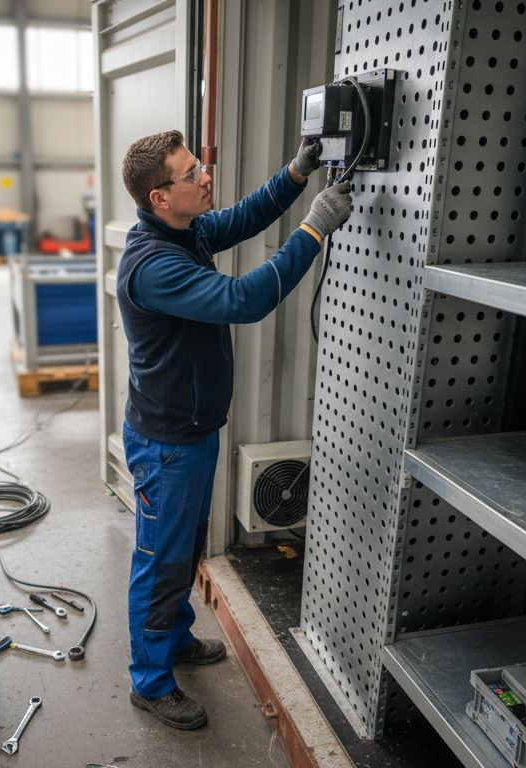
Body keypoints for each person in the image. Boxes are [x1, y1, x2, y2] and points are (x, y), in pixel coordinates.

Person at [115, 129, 352, 730]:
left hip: (191, 431)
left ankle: (174, 640)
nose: (204, 177)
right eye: (190, 173)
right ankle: (150, 680)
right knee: (162, 559)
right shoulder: (152, 266)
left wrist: (297, 174)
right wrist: (315, 228)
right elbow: (246, 299)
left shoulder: (182, 229)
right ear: (159, 197)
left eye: (199, 165)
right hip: (167, 443)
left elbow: (243, 217)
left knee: (187, 546)